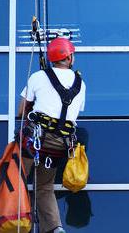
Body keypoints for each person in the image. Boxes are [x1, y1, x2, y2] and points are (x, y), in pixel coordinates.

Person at [17, 37, 86, 233]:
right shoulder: (81, 84)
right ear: (69, 57)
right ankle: (55, 229)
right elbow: (71, 112)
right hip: (60, 145)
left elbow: (21, 111)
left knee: (16, 177)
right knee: (45, 187)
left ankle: (15, 223)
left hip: (35, 141)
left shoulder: (38, 77)